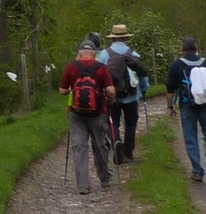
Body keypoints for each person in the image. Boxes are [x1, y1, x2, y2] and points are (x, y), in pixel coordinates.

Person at [59, 39, 117, 193]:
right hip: (98, 113)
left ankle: (83, 185)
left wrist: (73, 91)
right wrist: (109, 102)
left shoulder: (71, 67)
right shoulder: (101, 68)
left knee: (79, 147)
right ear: (94, 53)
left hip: (76, 113)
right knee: (100, 145)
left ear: (79, 53)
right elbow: (111, 90)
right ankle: (105, 178)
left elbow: (62, 91)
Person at [166, 37, 206, 181]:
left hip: (187, 105)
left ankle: (197, 171)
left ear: (183, 50)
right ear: (196, 49)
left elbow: (170, 90)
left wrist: (170, 107)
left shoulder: (177, 65)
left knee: (191, 138)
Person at [104, 22, 144, 164]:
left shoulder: (105, 54)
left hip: (112, 96)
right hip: (131, 95)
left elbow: (99, 74)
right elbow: (142, 74)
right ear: (126, 38)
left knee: (113, 122)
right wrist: (144, 89)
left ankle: (116, 141)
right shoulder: (133, 54)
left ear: (113, 38)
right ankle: (128, 151)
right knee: (131, 123)